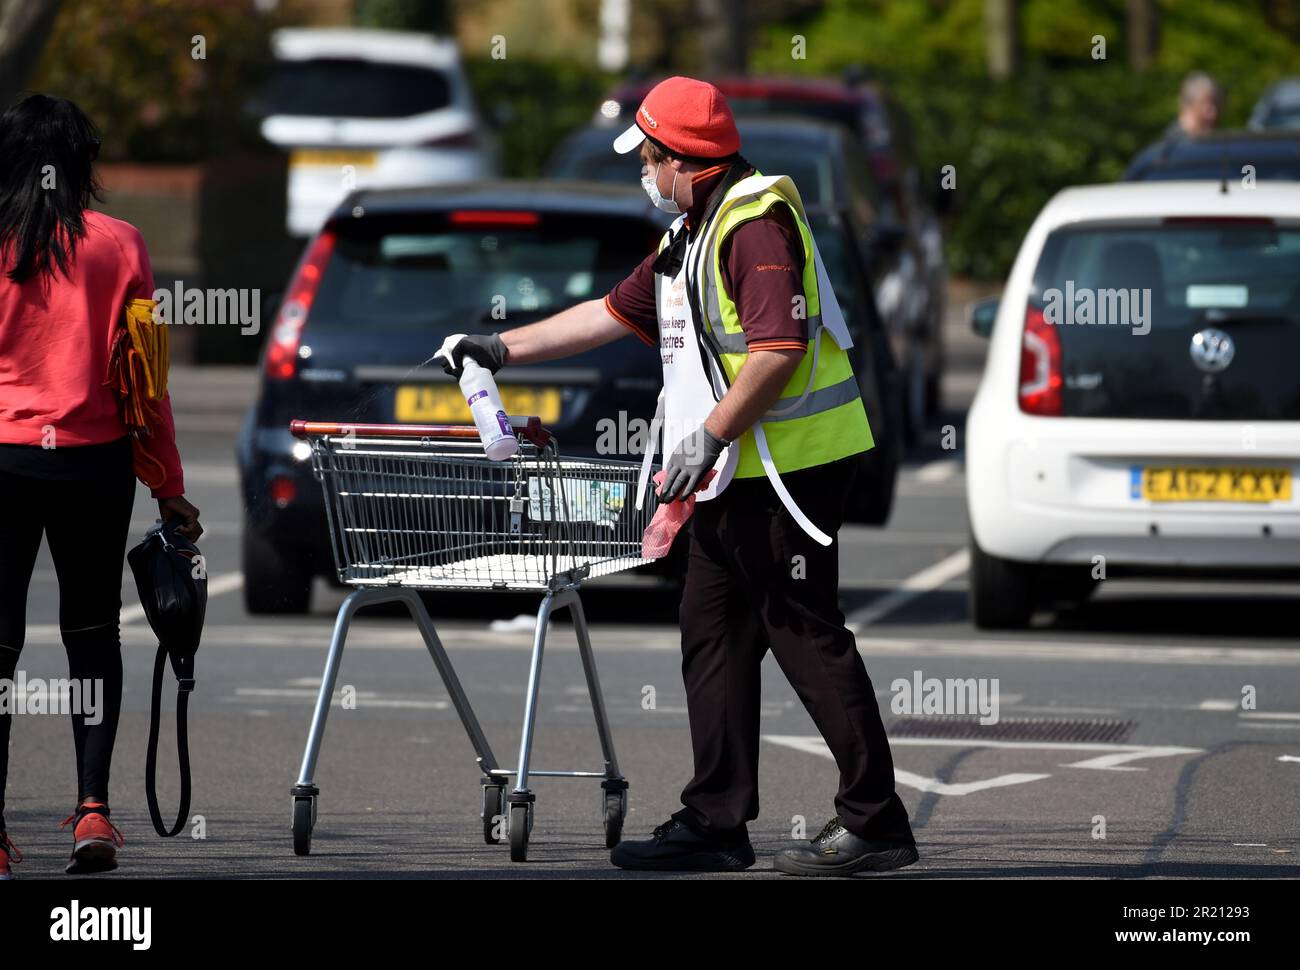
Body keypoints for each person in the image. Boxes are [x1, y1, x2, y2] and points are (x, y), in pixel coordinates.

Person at [438, 76, 917, 876]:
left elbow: (778, 350)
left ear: (690, 162)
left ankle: (874, 821)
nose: (645, 171)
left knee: (802, 634)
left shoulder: (752, 226)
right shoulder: (691, 231)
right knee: (713, 634)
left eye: (653, 158)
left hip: (787, 470)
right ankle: (717, 821)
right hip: (739, 472)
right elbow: (610, 311)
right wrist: (499, 349)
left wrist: (709, 435)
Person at [0, 94, 201, 878]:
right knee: (92, 636)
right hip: (94, 462)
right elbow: (145, 381)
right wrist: (169, 485)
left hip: (4, 459)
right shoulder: (120, 245)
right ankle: (92, 812)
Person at [1125, 71, 1224, 177]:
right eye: (1207, 104)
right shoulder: (1157, 160)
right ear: (1187, 106)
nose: (1213, 114)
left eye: (1216, 104)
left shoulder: (1222, 158)